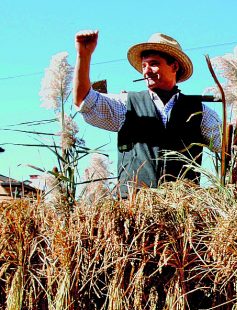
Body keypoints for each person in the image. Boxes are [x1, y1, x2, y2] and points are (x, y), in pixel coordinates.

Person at [73, 31, 220, 194]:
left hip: (183, 210)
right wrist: (83, 55)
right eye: (144, 65)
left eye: (153, 64)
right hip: (135, 210)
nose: (146, 71)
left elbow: (230, 148)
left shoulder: (200, 112)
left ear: (174, 66)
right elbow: (84, 101)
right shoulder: (125, 104)